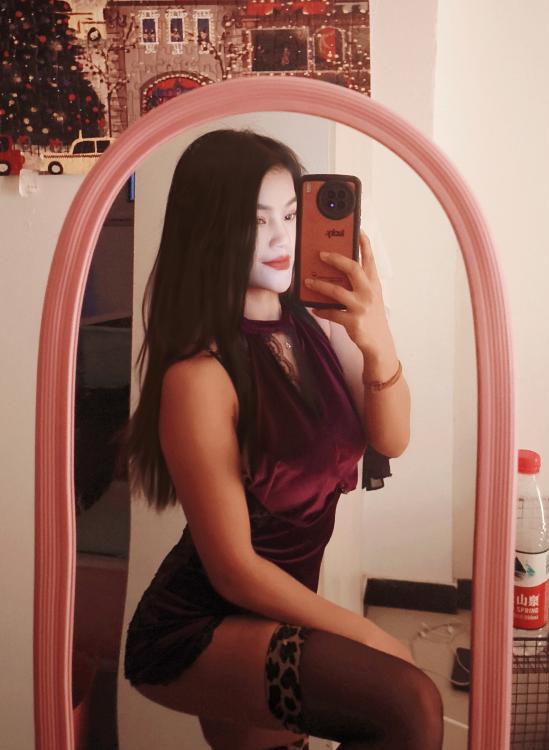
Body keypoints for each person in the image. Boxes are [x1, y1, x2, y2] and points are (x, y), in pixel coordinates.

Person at [121, 129, 443, 750]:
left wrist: (377, 339)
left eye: (291, 215)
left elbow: (393, 438)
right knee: (409, 704)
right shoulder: (200, 376)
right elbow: (234, 570)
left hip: (278, 611)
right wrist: (365, 632)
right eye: (256, 219)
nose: (281, 238)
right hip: (201, 624)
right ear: (211, 232)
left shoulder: (319, 326)